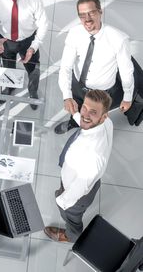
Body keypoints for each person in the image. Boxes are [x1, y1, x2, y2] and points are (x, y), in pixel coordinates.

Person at [55, 0, 135, 134]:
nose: (87, 19)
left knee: (95, 118)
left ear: (100, 11)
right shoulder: (74, 33)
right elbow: (66, 67)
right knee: (77, 108)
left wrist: (127, 98)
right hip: (79, 86)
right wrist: (67, 96)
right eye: (82, 15)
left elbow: (126, 71)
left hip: (102, 94)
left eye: (91, 12)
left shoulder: (119, 39)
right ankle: (73, 123)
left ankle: (92, 131)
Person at [45, 89, 113, 243]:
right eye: (85, 108)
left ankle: (72, 236)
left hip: (77, 195)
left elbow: (79, 188)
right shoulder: (106, 123)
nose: (86, 114)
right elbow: (86, 119)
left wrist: (61, 201)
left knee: (72, 218)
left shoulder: (94, 156)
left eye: (93, 112)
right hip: (83, 180)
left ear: (103, 116)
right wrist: (76, 113)